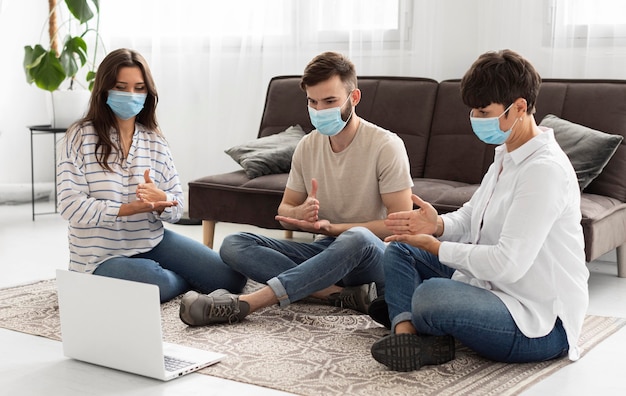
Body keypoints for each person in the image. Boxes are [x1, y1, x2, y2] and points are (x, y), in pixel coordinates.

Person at [369, 49, 589, 372]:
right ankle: (408, 332)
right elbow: (473, 216)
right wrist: (437, 225)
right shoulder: (506, 155)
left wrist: (438, 247)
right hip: (490, 288)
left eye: (484, 111)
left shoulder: (544, 171)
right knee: (401, 248)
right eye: (473, 110)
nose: (476, 119)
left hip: (537, 322)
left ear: (520, 107)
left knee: (431, 297)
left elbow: (507, 264)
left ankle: (407, 310)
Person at [178, 51, 414, 326]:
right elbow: (286, 207)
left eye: (330, 101)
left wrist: (335, 229)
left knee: (357, 237)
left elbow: (400, 226)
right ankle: (335, 295)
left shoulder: (386, 145)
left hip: (370, 255)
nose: (320, 110)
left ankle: (249, 303)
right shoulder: (308, 145)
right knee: (234, 244)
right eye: (313, 102)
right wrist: (300, 212)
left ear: (354, 98)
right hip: (327, 252)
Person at [57, 48, 247, 303]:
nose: (131, 95)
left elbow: (177, 206)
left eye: (139, 88)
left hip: (152, 242)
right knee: (156, 282)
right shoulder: (79, 136)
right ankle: (171, 279)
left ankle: (165, 278)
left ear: (148, 93)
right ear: (103, 91)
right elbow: (69, 206)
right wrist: (127, 209)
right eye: (121, 87)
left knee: (231, 279)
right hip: (100, 257)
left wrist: (162, 201)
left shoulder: (154, 140)